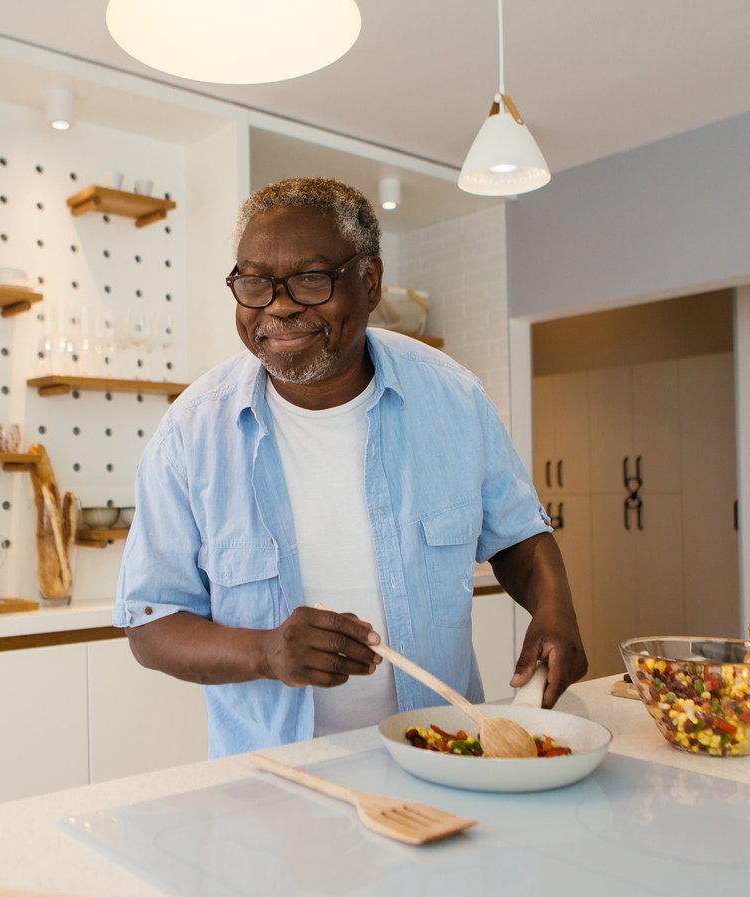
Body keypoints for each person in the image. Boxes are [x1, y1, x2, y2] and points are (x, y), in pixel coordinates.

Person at [114, 176, 585, 757]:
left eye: (311, 280)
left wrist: (554, 607)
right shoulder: (192, 434)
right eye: (255, 282)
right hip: (274, 782)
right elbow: (151, 622)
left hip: (444, 754)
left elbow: (518, 535)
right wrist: (265, 651)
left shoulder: (453, 398)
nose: (279, 306)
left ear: (370, 281)